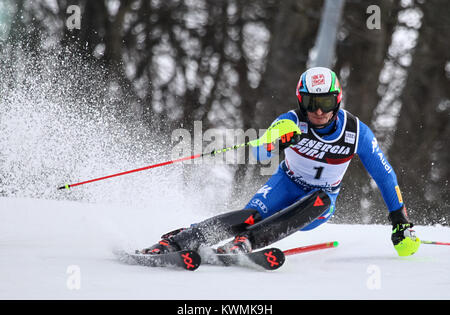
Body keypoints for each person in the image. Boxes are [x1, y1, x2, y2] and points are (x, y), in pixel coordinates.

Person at [142, 67, 420, 257]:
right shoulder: (289, 121)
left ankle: (247, 243)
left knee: (321, 199)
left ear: (337, 100)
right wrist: (276, 142)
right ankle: (178, 241)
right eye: (312, 103)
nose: (319, 111)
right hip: (284, 185)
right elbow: (260, 154)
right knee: (250, 217)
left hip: (317, 203)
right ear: (302, 101)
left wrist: (400, 219)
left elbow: (384, 176)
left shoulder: (357, 132)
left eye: (325, 101)